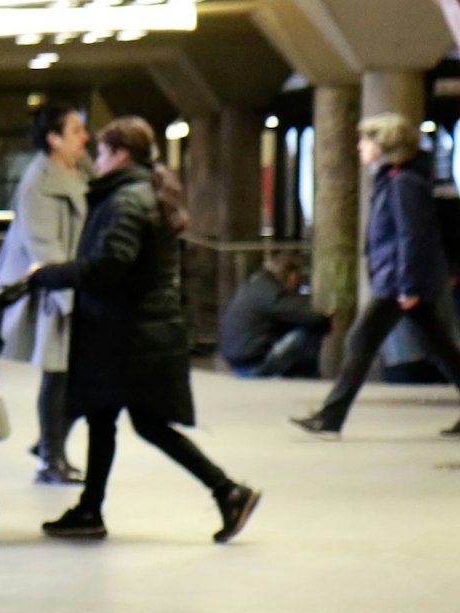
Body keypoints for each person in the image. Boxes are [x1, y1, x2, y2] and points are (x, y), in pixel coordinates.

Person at [27, 117, 261, 543]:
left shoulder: (126, 200)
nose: (96, 159)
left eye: (101, 151)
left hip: (129, 335)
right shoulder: (140, 193)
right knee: (106, 418)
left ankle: (228, 491)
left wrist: (51, 274)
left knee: (144, 423)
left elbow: (112, 265)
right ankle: (90, 509)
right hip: (133, 331)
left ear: (120, 154)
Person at [293, 114, 460, 438]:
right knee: (441, 348)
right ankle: (331, 417)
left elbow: (411, 235)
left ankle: (331, 417)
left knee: (361, 340)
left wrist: (408, 285)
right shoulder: (394, 178)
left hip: (399, 281)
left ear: (384, 145)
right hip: (399, 279)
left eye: (365, 141)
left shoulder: (403, 182)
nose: (359, 147)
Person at [0, 101, 89, 483]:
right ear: (53, 139)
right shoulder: (38, 183)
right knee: (59, 372)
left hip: (77, 283)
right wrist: (71, 298)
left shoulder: (80, 170)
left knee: (78, 373)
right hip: (54, 292)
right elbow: (43, 247)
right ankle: (51, 457)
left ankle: (51, 443)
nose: (85, 137)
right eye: (76, 131)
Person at [221, 249, 326, 378]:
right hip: (253, 364)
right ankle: (307, 376)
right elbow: (308, 314)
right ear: (291, 275)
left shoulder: (257, 284)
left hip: (239, 359)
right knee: (310, 328)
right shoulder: (272, 293)